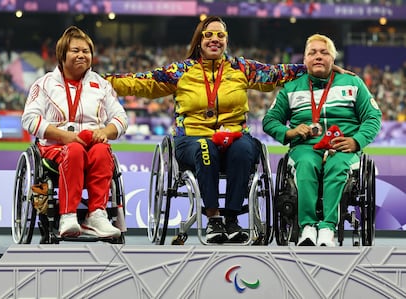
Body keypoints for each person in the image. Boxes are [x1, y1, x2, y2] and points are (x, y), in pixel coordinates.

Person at [104, 16, 344, 244]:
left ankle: (231, 219)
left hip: (234, 137)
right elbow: (142, 81)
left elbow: (277, 73)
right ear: (199, 40)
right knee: (205, 147)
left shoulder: (240, 68)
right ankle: (213, 219)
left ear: (226, 40)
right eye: (208, 34)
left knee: (243, 149)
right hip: (193, 139)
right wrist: (101, 81)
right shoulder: (181, 71)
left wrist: (323, 67)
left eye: (220, 34)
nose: (214, 39)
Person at [262, 33, 382, 247]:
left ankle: (327, 228)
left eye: (324, 52)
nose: (318, 56)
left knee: (337, 167)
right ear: (305, 60)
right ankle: (307, 227)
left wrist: (356, 141)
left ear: (333, 59)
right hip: (305, 147)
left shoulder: (353, 83)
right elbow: (270, 121)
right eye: (312, 53)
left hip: (342, 147)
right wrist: (290, 133)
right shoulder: (291, 88)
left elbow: (373, 117)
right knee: (306, 164)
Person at [22, 26, 128, 238]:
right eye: (75, 50)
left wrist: (106, 131)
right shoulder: (44, 84)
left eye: (86, 51)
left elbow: (121, 118)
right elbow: (29, 119)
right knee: (75, 150)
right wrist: (64, 137)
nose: (82, 55)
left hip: (92, 147)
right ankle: (68, 215)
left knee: (101, 150)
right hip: (54, 151)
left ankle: (96, 215)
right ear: (62, 54)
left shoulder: (101, 85)